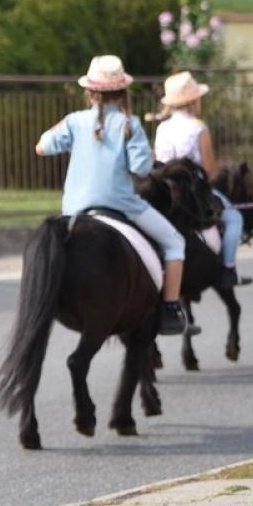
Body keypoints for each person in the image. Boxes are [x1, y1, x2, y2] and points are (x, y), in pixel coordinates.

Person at [36, 55, 195, 337]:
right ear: (123, 92)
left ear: (89, 92)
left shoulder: (74, 121)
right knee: (174, 242)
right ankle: (171, 309)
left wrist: (64, 127)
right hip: (122, 205)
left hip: (74, 209)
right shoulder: (130, 124)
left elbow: (42, 147)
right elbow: (141, 169)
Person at [152, 70, 249, 287]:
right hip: (194, 191)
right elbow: (210, 170)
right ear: (193, 101)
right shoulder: (199, 128)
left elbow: (158, 161)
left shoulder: (162, 128)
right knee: (234, 218)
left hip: (167, 190)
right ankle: (228, 269)